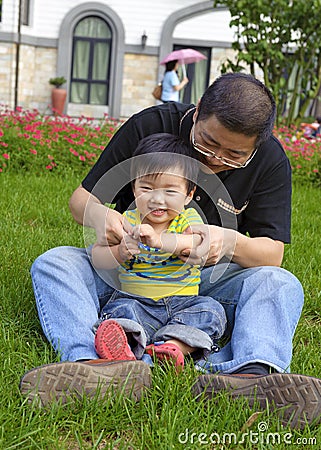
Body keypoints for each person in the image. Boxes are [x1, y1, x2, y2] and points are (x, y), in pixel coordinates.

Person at [20, 73, 321, 428]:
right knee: (55, 262)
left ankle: (247, 375)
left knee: (280, 282)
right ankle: (93, 365)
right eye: (207, 143)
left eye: (234, 155)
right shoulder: (151, 125)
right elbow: (81, 200)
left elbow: (272, 253)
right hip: (128, 274)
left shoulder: (270, 159)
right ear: (195, 115)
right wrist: (106, 220)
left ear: (257, 146)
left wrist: (229, 243)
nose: (215, 160)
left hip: (201, 283)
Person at [91, 133, 227, 370]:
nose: (157, 199)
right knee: (120, 311)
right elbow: (97, 257)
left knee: (211, 310)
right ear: (134, 188)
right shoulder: (127, 221)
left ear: (189, 195)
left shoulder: (188, 219)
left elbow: (195, 243)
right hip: (136, 301)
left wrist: (159, 241)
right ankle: (125, 349)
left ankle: (173, 347)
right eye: (147, 188)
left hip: (183, 303)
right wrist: (120, 251)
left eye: (170, 192)